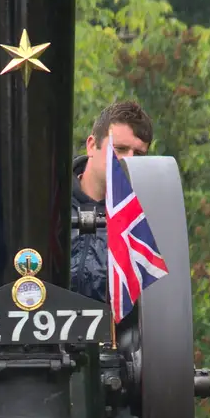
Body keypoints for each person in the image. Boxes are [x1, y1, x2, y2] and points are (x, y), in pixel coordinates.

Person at [70, 98, 154, 302]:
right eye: (120, 149)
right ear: (91, 145)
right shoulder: (48, 204)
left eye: (139, 154)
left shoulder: (142, 220)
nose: (129, 160)